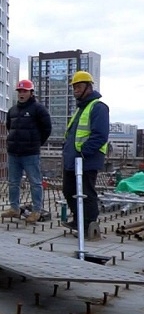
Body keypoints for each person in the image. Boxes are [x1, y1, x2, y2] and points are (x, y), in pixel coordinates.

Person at [61, 70, 110, 232]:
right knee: (69, 191)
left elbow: (100, 135)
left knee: (87, 193)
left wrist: (83, 153)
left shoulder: (98, 107)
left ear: (88, 87)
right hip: (72, 160)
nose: (75, 90)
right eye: (74, 87)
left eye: (79, 86)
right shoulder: (81, 108)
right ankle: (78, 220)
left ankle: (89, 225)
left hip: (86, 160)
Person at [0, 79, 52, 223]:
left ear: (31, 92)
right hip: (14, 153)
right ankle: (14, 208)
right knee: (13, 182)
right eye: (20, 91)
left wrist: (35, 143)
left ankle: (36, 211)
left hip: (30, 154)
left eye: (25, 91)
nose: (21, 94)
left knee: (35, 182)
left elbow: (47, 128)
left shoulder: (38, 109)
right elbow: (9, 127)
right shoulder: (13, 110)